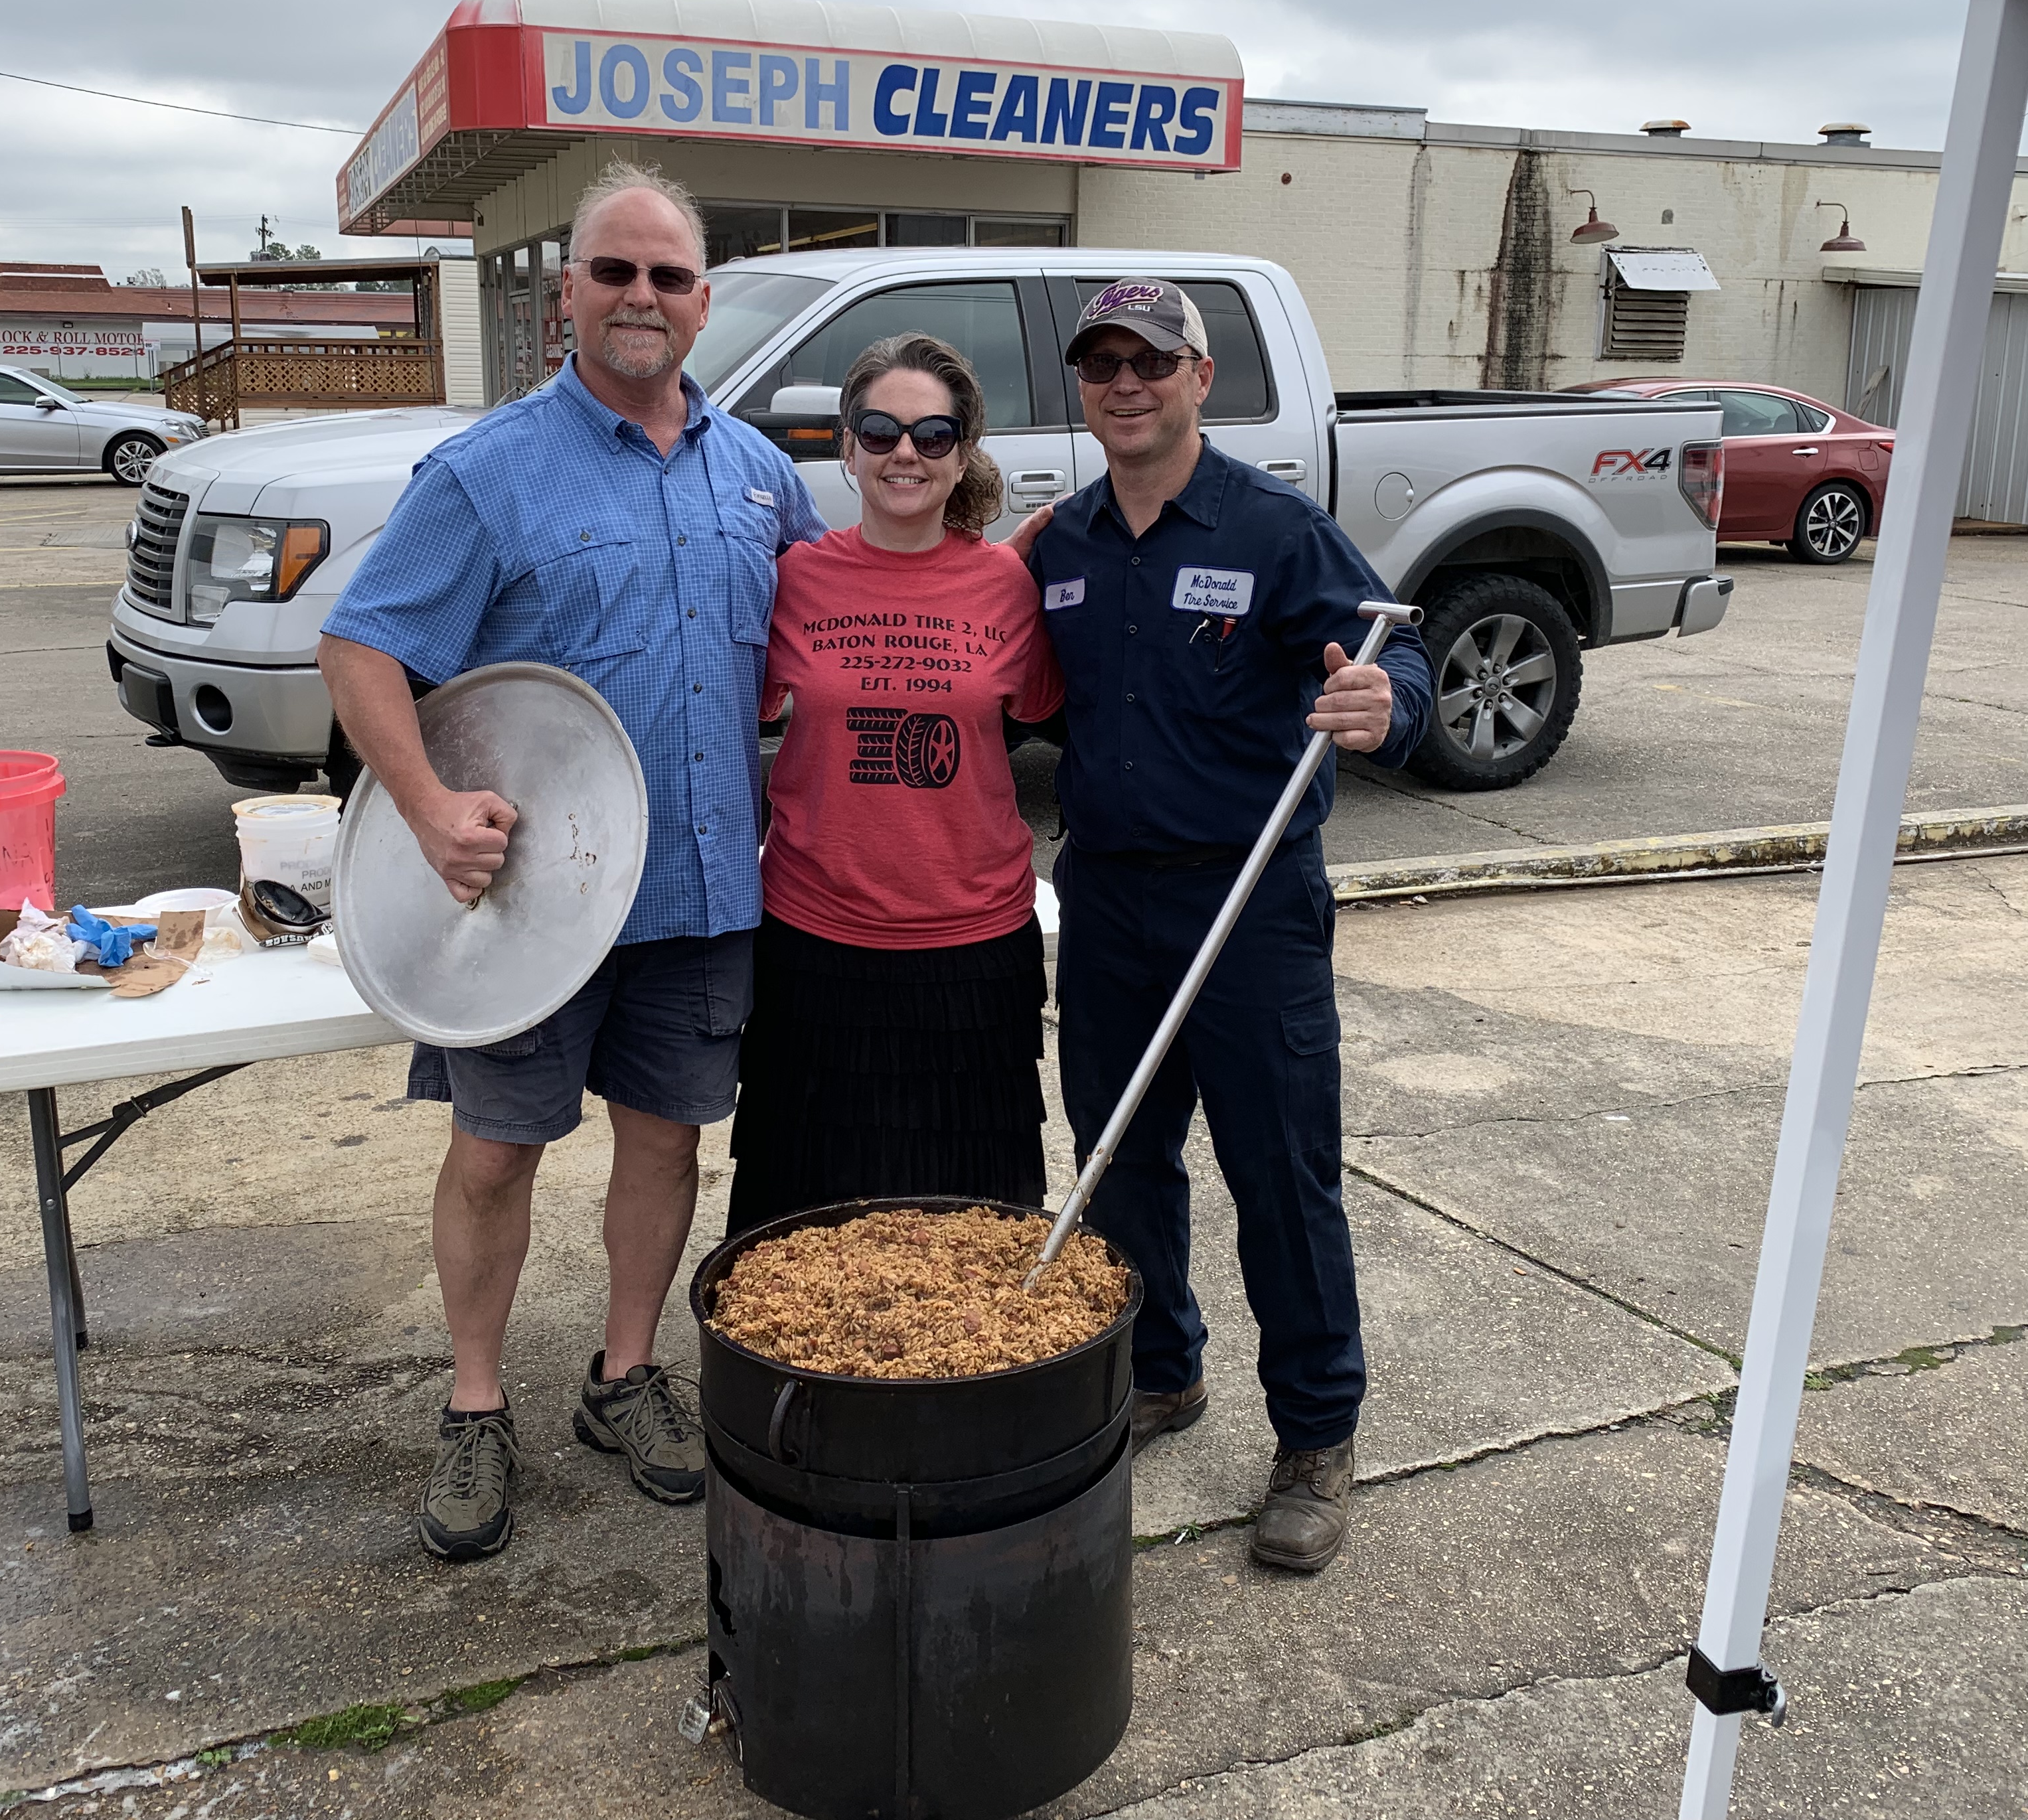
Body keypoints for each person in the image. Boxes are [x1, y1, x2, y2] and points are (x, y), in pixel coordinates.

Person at [315, 161, 826, 1562]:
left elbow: (854, 624)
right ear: (569, 292)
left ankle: (622, 1375)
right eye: (616, 271)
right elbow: (364, 649)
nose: (642, 297)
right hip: (530, 908)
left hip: (704, 893)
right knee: (497, 1154)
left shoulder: (760, 479)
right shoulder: (487, 476)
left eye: (668, 276)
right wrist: (422, 806)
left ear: (704, 301)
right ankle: (476, 1406)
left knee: (667, 1142)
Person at [1016, 278, 1431, 1575]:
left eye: (1153, 360)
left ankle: (1316, 1436)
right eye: (1103, 364)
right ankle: (1161, 1372)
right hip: (1110, 899)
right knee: (1122, 1157)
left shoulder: (1274, 529)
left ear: (1199, 378)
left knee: (1281, 1176)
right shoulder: (1061, 544)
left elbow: (1394, 650)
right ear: (1081, 387)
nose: (1126, 383)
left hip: (1250, 905)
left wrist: (1386, 705)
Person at [727, 333, 1065, 1235]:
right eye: (879, 432)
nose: (905, 452)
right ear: (846, 448)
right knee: (806, 1216)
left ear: (963, 456)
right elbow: (720, 719)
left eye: (931, 434)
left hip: (973, 948)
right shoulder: (793, 580)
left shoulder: (1010, 588)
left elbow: (1070, 706)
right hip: (815, 942)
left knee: (968, 1225)